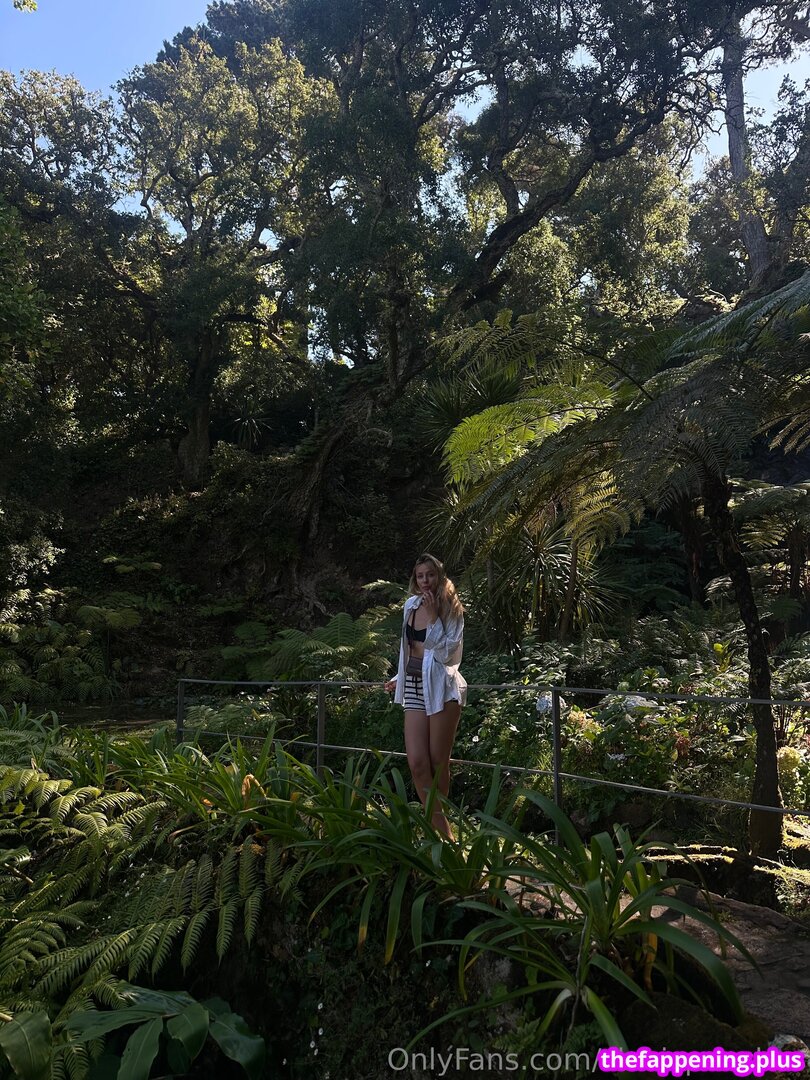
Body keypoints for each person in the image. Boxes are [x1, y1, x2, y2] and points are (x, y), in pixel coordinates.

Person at [384, 553, 466, 838]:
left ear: (439, 576)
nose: (425, 581)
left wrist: (433, 618)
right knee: (417, 763)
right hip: (414, 688)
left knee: (437, 763)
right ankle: (443, 835)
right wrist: (399, 677)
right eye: (420, 576)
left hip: (442, 690)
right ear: (415, 579)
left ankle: (441, 836)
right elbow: (408, 650)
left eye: (430, 574)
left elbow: (446, 656)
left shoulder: (452, 609)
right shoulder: (410, 605)